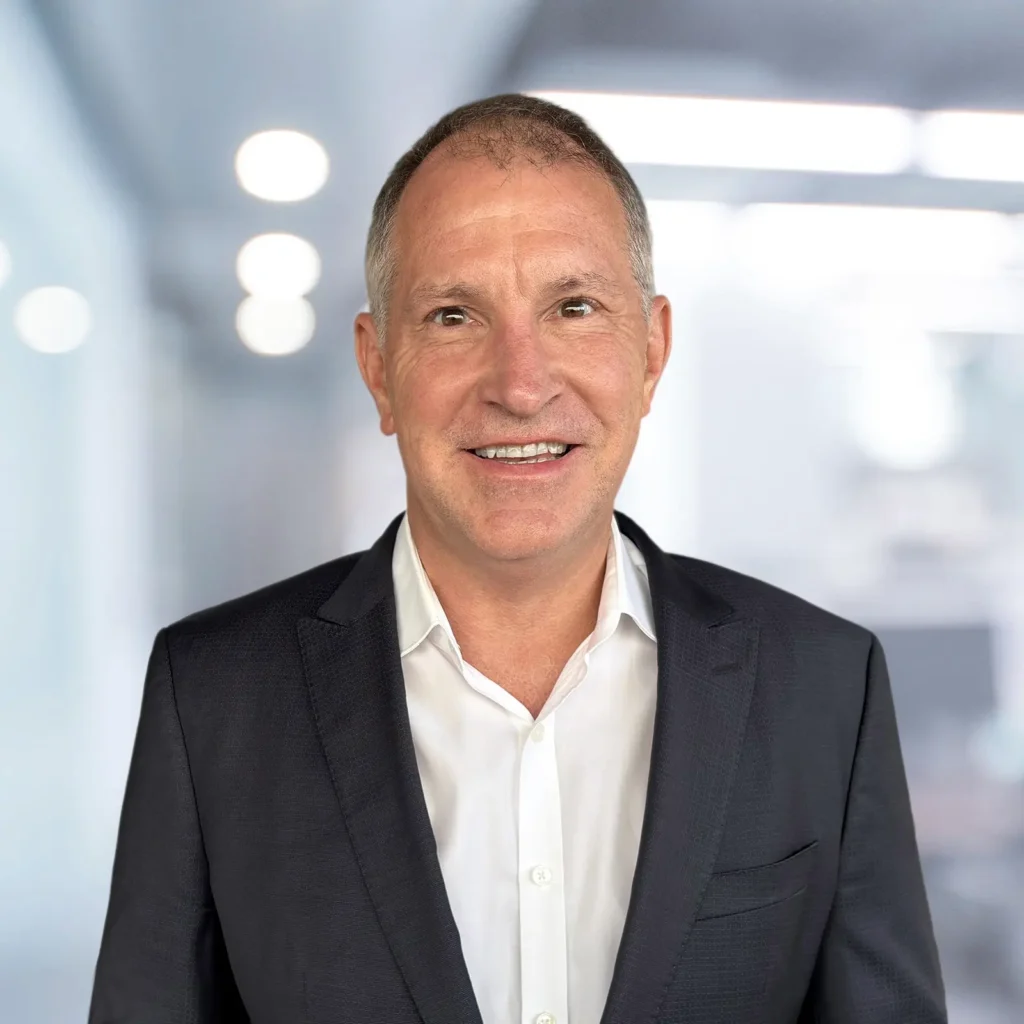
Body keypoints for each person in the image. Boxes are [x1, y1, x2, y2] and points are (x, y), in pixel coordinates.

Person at [88, 93, 947, 1024]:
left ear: (652, 350)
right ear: (379, 367)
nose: (522, 384)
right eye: (454, 316)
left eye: (574, 307)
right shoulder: (213, 695)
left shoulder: (824, 684)